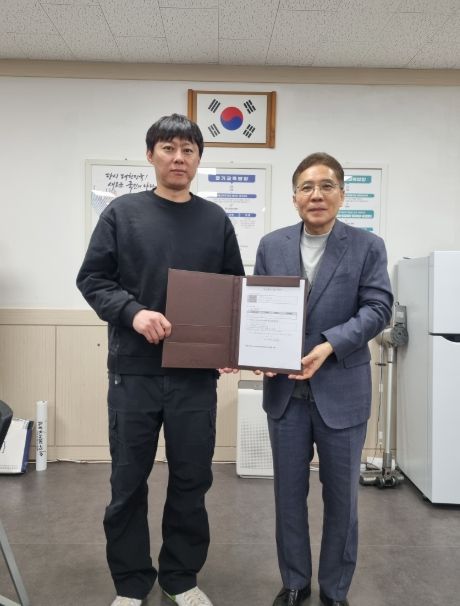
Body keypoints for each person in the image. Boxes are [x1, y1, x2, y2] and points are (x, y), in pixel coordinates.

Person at [77, 114, 244, 606]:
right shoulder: (122, 213)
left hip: (195, 377)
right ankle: (131, 582)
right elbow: (93, 280)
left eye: (188, 150)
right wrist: (133, 313)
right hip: (134, 373)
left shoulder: (215, 220)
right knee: (128, 481)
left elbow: (234, 291)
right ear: (150, 155)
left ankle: (180, 578)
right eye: (168, 148)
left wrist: (232, 346)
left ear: (198, 160)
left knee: (192, 479)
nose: (178, 158)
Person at [254, 153, 393, 606]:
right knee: (288, 496)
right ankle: (295, 582)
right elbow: (259, 307)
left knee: (342, 501)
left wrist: (330, 344)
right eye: (307, 187)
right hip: (285, 394)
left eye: (327, 185)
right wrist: (257, 352)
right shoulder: (271, 245)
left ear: (342, 195)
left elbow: (378, 308)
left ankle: (335, 591)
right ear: (294, 197)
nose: (317, 195)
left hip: (341, 389)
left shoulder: (368, 246)